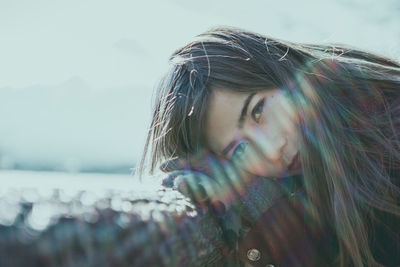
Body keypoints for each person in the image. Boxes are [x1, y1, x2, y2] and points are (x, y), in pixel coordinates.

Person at [138, 26, 400, 266]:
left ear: (285, 73)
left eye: (258, 110)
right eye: (239, 150)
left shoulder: (389, 138)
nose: (271, 149)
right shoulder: (312, 186)